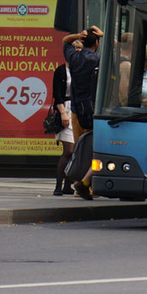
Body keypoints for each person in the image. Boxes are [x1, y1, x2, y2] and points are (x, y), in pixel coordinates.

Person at [62, 25, 103, 200]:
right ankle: (87, 184)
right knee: (96, 149)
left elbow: (65, 41)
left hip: (76, 110)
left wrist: (79, 35)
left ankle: (80, 181)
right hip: (93, 110)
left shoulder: (74, 57)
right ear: (97, 43)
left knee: (80, 148)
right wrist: (103, 34)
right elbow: (118, 51)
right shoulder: (98, 59)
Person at [51, 40, 83, 195]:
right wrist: (63, 113)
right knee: (68, 150)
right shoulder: (61, 71)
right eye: (74, 48)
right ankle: (58, 185)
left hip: (79, 110)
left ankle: (67, 185)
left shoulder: (83, 69)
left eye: (80, 49)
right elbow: (57, 95)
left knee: (76, 150)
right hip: (66, 109)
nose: (77, 51)